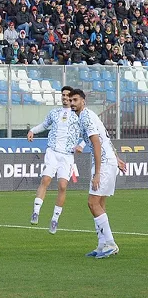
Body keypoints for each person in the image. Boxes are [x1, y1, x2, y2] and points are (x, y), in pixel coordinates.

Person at [71, 89, 127, 258]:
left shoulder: (86, 117)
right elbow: (106, 138)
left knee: (92, 203)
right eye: (70, 100)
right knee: (100, 204)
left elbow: (96, 144)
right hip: (108, 161)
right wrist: (117, 158)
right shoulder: (87, 116)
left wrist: (97, 173)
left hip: (103, 163)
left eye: (75, 100)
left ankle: (110, 243)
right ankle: (102, 245)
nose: (72, 103)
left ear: (83, 101)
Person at [27, 86, 83, 233]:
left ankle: (55, 219)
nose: (65, 98)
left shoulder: (78, 115)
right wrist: (32, 131)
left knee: (62, 186)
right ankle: (36, 212)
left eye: (68, 95)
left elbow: (87, 134)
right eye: (63, 95)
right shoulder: (54, 112)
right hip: (52, 151)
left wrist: (81, 145)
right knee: (45, 179)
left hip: (67, 155)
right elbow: (44, 125)